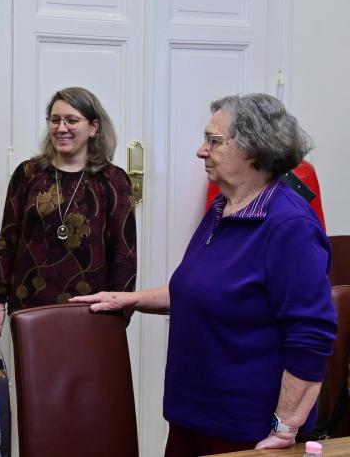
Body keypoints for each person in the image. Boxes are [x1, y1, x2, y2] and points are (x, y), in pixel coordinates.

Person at [74, 93, 337, 456]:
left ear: (254, 150)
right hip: (191, 416)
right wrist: (128, 298)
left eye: (214, 142)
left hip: (245, 430)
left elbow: (312, 335)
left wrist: (285, 426)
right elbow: (203, 291)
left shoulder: (289, 224)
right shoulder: (223, 209)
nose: (201, 150)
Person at [0, 86, 136, 338]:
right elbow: (8, 240)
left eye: (72, 120)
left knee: (84, 378)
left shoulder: (113, 180)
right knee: (33, 377)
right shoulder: (28, 174)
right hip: (30, 305)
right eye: (55, 120)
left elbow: (124, 253)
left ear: (94, 127)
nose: (61, 128)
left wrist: (119, 313)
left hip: (91, 310)